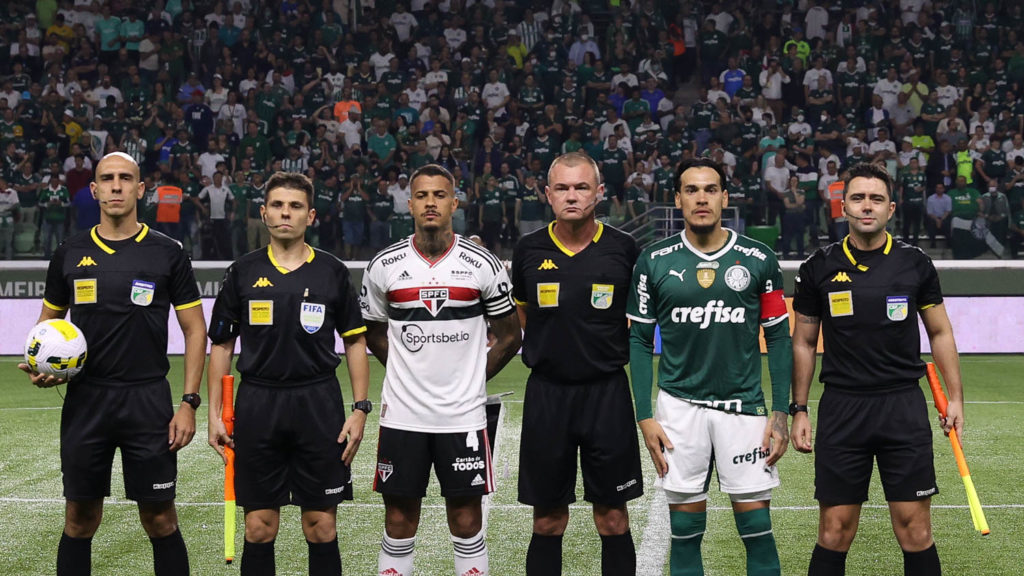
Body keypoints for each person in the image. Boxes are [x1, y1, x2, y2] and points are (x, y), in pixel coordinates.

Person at [19, 152, 206, 576]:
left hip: (148, 400)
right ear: (95, 189)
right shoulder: (69, 252)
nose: (117, 186)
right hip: (87, 400)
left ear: (141, 190)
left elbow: (196, 331)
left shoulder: (167, 253)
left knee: (160, 519)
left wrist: (189, 402)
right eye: (108, 179)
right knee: (79, 520)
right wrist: (40, 366)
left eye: (126, 179)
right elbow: (47, 326)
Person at [791, 162, 965, 576]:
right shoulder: (818, 267)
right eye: (857, 198)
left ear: (891, 208)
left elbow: (940, 332)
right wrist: (799, 407)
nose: (866, 206)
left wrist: (955, 397)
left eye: (876, 198)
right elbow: (803, 341)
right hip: (842, 409)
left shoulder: (915, 264)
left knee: (915, 530)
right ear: (843, 206)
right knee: (834, 530)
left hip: (901, 407)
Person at [627, 158, 793, 576]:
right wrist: (645, 417)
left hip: (743, 408)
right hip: (679, 409)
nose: (701, 197)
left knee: (757, 527)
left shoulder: (759, 258)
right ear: (678, 199)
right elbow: (640, 340)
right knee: (685, 531)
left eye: (710, 189)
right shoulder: (653, 261)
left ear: (724, 197)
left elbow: (777, 336)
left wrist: (781, 412)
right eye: (691, 190)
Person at [361, 164, 522, 576]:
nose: (430, 202)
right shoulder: (384, 265)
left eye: (439, 195)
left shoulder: (482, 264)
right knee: (398, 519)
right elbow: (375, 333)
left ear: (454, 202)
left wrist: (469, 379)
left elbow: (509, 336)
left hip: (462, 416)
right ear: (409, 203)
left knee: (466, 517)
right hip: (403, 416)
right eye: (421, 195)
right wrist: (406, 372)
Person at [205, 171, 368, 575]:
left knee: (321, 526)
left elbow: (353, 343)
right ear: (263, 213)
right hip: (259, 404)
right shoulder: (241, 271)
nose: (285, 213)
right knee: (260, 527)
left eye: (295, 206)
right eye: (277, 205)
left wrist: (360, 409)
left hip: (318, 404)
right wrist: (214, 412)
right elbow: (222, 346)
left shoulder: (332, 271)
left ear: (310, 215)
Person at [511, 152, 643, 576]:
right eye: (563, 188)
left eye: (582, 187)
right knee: (548, 520)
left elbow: (638, 323)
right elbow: (522, 316)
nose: (572, 195)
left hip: (607, 394)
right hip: (548, 394)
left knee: (612, 517)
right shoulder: (528, 249)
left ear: (599, 193)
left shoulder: (624, 250)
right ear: (547, 195)